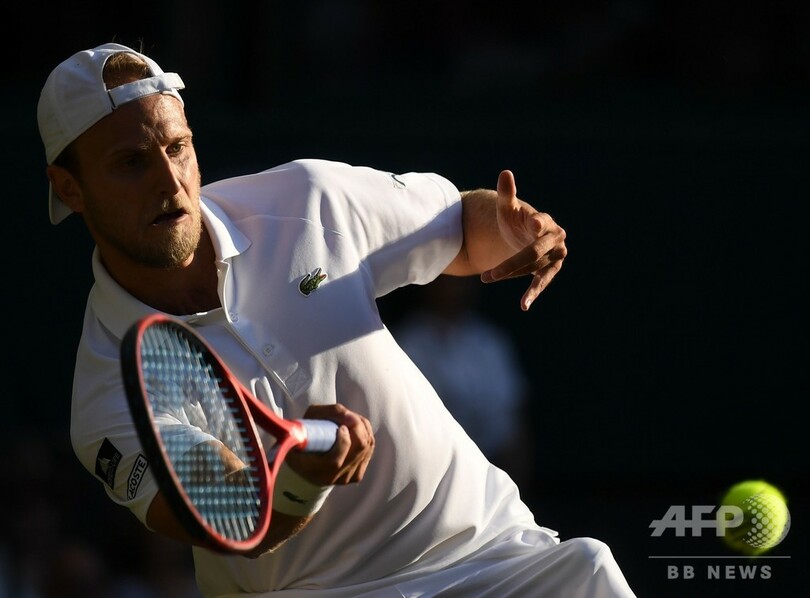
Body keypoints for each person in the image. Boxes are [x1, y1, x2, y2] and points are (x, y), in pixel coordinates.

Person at [38, 42, 637, 597]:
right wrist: (303, 480)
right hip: (315, 593)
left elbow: (457, 227)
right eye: (130, 163)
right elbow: (230, 513)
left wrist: (510, 229)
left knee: (590, 568)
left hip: (493, 552)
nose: (170, 183)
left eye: (177, 148)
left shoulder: (307, 198)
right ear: (70, 188)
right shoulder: (107, 391)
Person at [392, 276, 536, 495]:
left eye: (462, 281)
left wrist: (513, 491)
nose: (455, 288)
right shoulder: (405, 342)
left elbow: (513, 424)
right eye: (447, 280)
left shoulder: (490, 342)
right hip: (430, 479)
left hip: (491, 478)